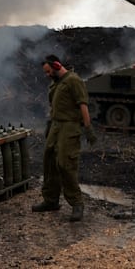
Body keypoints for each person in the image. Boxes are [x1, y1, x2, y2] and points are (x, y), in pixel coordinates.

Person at [32, 55, 98, 222]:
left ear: (56, 65)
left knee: (65, 163)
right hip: (56, 125)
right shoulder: (56, 82)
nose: (47, 75)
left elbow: (83, 105)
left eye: (48, 71)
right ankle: (51, 200)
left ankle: (77, 204)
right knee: (49, 161)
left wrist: (88, 128)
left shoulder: (73, 81)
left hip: (69, 127)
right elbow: (55, 105)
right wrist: (50, 124)